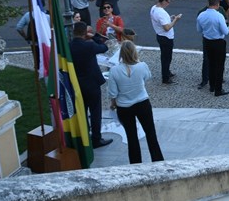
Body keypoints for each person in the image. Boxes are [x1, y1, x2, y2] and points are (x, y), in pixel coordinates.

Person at [108, 41, 164, 163]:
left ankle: (135, 163)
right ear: (134, 53)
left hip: (124, 107)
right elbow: (147, 77)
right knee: (151, 133)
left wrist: (113, 103)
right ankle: (158, 160)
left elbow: (113, 93)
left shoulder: (114, 70)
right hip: (142, 103)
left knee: (131, 136)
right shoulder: (142, 66)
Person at [70, 21, 112, 149]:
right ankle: (96, 139)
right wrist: (93, 36)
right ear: (84, 33)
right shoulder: (89, 46)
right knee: (95, 112)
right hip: (92, 84)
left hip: (77, 84)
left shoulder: (68, 46)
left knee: (82, 111)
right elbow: (104, 47)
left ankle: (84, 135)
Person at [196, 0, 229, 96]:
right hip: (218, 42)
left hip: (207, 41)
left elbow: (199, 30)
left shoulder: (201, 15)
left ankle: (212, 86)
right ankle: (218, 89)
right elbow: (226, 31)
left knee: (210, 64)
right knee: (219, 66)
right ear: (217, 5)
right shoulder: (219, 16)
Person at [150, 0, 181, 84]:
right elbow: (167, 28)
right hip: (166, 37)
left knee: (165, 56)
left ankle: (167, 72)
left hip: (160, 35)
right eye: (168, 2)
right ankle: (165, 78)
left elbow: (161, 22)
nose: (168, 3)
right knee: (167, 58)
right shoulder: (161, 13)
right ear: (163, 1)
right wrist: (176, 20)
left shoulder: (154, 8)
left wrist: (170, 18)